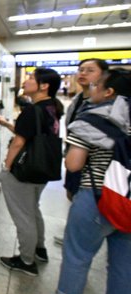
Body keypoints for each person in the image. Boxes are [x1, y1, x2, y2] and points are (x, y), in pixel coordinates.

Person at [29, 69, 131, 294]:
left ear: (109, 92)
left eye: (96, 85)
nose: (91, 88)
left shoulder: (93, 118)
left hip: (98, 198)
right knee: (124, 262)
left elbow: (74, 164)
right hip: (128, 201)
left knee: (78, 253)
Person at [0, 68, 64, 276]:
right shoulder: (52, 107)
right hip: (42, 169)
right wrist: (7, 124)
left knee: (24, 217)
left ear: (44, 85)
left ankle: (26, 261)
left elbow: (19, 142)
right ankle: (39, 249)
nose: (26, 81)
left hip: (25, 172)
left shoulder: (33, 110)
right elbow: (31, 132)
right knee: (33, 209)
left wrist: (6, 168)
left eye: (31, 78)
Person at [55, 58, 109, 246]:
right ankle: (76, 229)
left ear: (103, 76)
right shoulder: (78, 100)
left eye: (90, 70)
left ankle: (79, 234)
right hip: (75, 155)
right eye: (81, 70)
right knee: (71, 194)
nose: (83, 73)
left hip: (92, 167)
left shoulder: (102, 105)